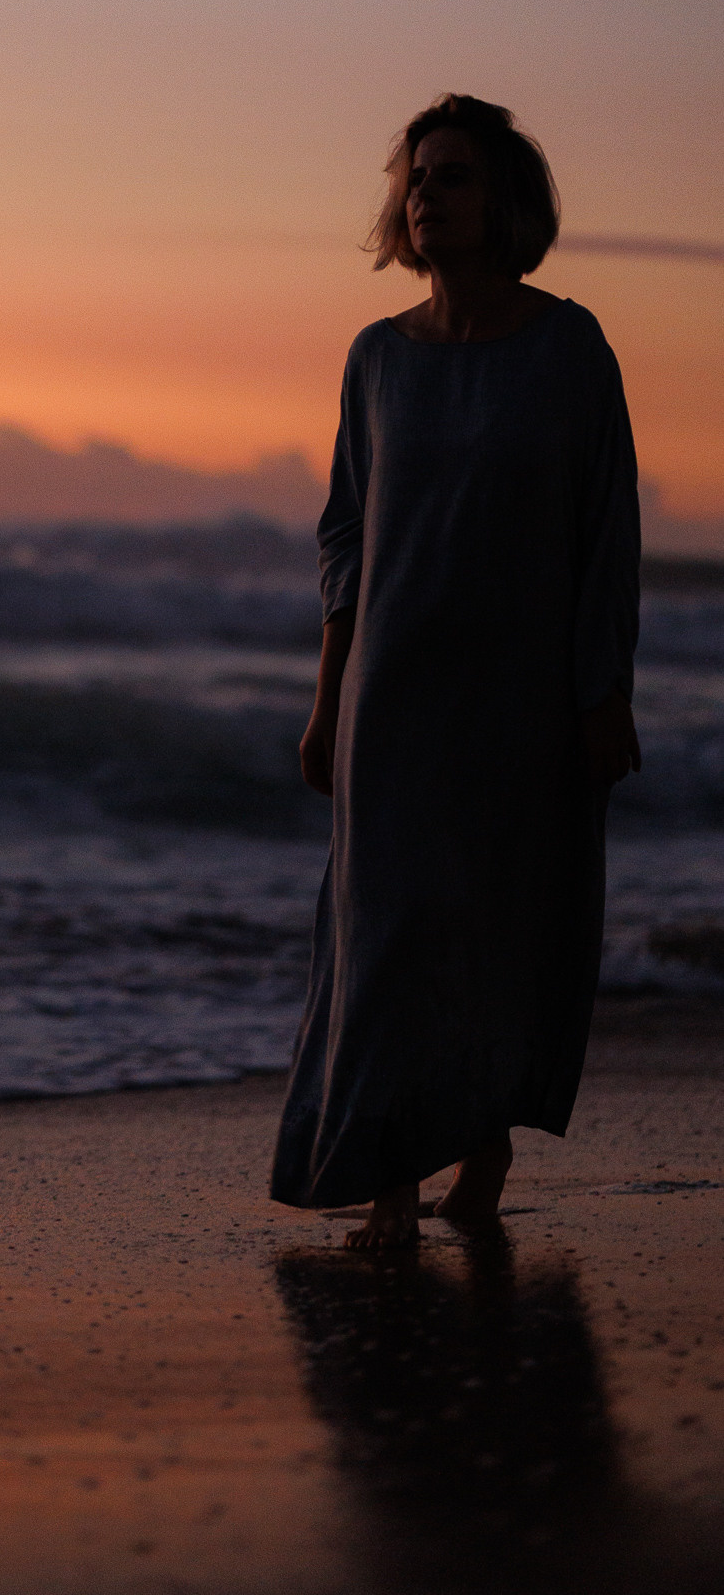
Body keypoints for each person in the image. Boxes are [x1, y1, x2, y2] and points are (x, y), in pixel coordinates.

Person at [271, 93, 640, 1251]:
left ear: (508, 202)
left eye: (457, 176)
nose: (429, 195)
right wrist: (329, 702)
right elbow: (345, 536)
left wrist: (601, 691)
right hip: (394, 691)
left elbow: (605, 532)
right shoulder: (376, 356)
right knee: (386, 932)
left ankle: (481, 1153)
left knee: (500, 923)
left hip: (522, 694)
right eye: (418, 178)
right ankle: (384, 1174)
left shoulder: (569, 346)